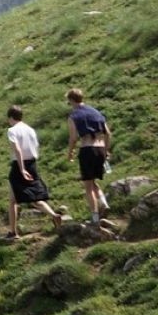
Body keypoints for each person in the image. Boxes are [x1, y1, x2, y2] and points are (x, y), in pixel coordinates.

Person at [4, 105, 64, 239]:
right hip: (32, 163)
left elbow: (17, 149)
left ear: (10, 118)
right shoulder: (30, 130)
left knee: (13, 200)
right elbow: (36, 146)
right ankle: (54, 215)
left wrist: (21, 169)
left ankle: (13, 232)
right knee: (35, 198)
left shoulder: (12, 130)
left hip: (20, 165)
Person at [66, 88, 112, 225]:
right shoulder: (96, 112)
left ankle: (95, 217)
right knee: (93, 181)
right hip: (100, 148)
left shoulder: (73, 116)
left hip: (87, 149)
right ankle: (103, 202)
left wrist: (70, 152)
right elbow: (108, 133)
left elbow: (73, 138)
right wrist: (106, 150)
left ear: (71, 100)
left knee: (88, 185)